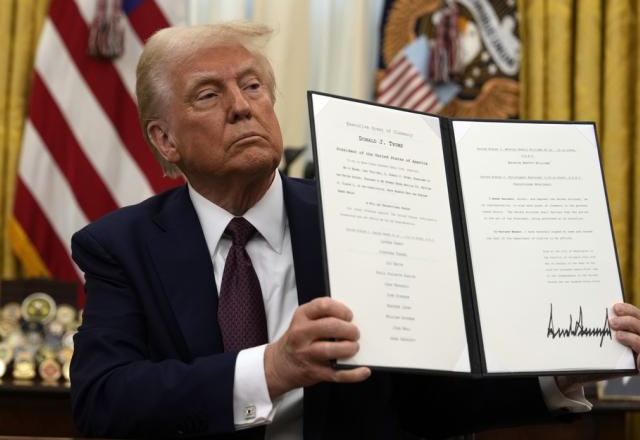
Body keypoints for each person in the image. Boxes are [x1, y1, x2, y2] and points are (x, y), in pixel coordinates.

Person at [70, 22, 640, 439]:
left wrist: (556, 374)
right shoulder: (120, 247)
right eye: (209, 95)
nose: (242, 108)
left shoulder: (366, 215)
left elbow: (426, 399)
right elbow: (103, 400)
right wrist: (271, 369)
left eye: (253, 87)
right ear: (164, 140)